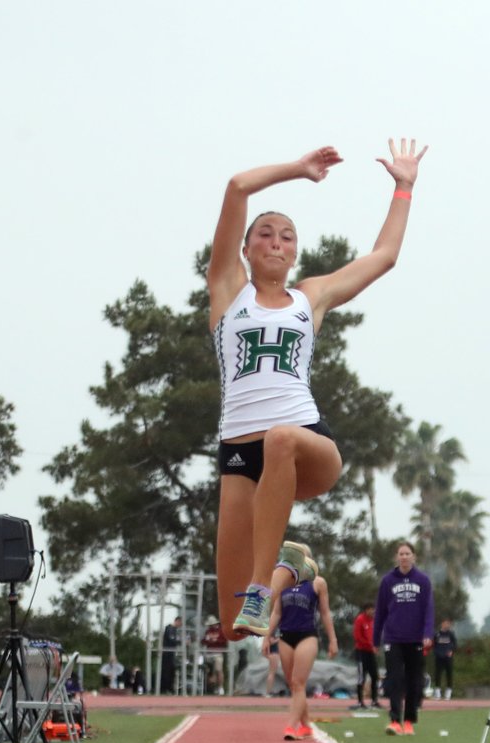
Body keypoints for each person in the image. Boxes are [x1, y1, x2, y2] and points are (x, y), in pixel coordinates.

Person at [208, 138, 428, 640]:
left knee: (280, 437)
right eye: (265, 234)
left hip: (306, 442)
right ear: (244, 250)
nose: (277, 242)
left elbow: (385, 256)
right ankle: (290, 565)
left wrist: (404, 187)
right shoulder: (228, 290)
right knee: (231, 627)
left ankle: (266, 586)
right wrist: (299, 169)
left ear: (295, 254)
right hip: (240, 459)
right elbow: (237, 186)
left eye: (287, 237)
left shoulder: (310, 297)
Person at [264, 574, 339, 740]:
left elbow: (325, 613)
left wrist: (333, 640)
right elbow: (276, 612)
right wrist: (266, 637)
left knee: (298, 682)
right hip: (285, 636)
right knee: (292, 683)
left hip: (307, 635)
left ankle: (291, 726)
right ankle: (306, 725)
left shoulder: (317, 583)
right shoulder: (283, 582)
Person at [374, 542, 434, 736]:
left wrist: (427, 634)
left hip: (415, 639)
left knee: (414, 681)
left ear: (413, 557)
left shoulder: (423, 581)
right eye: (401, 554)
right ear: (397, 557)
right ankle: (394, 720)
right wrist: (376, 639)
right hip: (393, 637)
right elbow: (380, 612)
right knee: (394, 679)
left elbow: (428, 610)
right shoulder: (388, 581)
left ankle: (409, 720)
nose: (404, 557)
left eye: (408, 553)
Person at [350, 602, 380, 710]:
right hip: (361, 652)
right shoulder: (360, 620)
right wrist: (370, 645)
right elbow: (358, 637)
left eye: (374, 609)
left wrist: (376, 645)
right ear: (366, 610)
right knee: (361, 677)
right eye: (371, 609)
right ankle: (360, 702)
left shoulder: (373, 621)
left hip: (371, 652)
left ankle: (374, 701)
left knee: (375, 676)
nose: (373, 611)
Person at [202, 616, 229, 695]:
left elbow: (224, 641)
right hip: (209, 654)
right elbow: (203, 641)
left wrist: (214, 641)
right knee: (208, 671)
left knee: (219, 670)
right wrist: (209, 641)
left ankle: (220, 687)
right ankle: (211, 688)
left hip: (218, 653)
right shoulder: (208, 631)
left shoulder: (221, 631)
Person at [433, 618, 457, 700]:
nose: (447, 625)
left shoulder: (451, 634)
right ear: (442, 624)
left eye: (448, 624)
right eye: (446, 623)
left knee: (449, 674)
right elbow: (434, 645)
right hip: (439, 657)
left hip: (448, 657)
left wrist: (451, 651)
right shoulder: (437, 634)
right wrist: (436, 653)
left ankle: (448, 692)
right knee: (438, 674)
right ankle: (437, 692)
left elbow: (455, 644)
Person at [160, 616, 181, 695]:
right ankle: (166, 688)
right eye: (180, 623)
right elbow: (171, 639)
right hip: (167, 653)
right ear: (177, 621)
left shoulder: (174, 630)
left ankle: (169, 688)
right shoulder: (169, 628)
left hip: (171, 653)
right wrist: (180, 641)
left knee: (171, 671)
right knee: (167, 671)